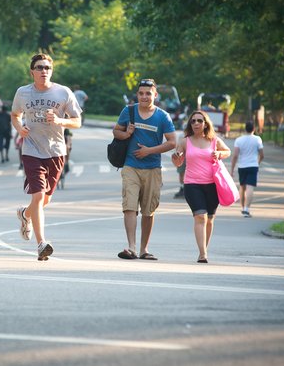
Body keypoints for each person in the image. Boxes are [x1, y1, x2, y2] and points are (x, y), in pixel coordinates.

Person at [11, 53, 82, 261]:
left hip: (56, 151)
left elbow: (77, 121)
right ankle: (41, 244)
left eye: (47, 68)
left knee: (45, 200)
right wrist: (19, 128)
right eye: (40, 68)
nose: (44, 71)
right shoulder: (23, 93)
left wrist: (61, 121)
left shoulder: (63, 92)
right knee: (39, 196)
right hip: (31, 150)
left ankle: (25, 215)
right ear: (32, 71)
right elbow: (15, 114)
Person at [112, 79, 176, 261]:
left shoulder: (163, 116)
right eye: (141, 93)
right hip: (130, 166)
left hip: (153, 168)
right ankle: (131, 247)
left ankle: (143, 249)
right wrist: (127, 134)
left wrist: (150, 151)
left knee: (148, 210)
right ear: (137, 95)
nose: (144, 97)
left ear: (155, 95)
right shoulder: (129, 111)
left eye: (148, 93)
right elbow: (116, 131)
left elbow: (172, 142)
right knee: (129, 206)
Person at [171, 110, 231, 263]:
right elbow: (178, 162)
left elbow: (227, 151)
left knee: (209, 219)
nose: (196, 123)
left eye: (199, 121)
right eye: (193, 121)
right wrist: (176, 158)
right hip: (192, 184)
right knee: (200, 216)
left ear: (205, 124)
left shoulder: (213, 140)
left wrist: (219, 154)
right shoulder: (185, 141)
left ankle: (204, 248)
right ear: (190, 124)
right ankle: (202, 254)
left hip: (212, 185)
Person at [230, 121, 264, 217]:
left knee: (242, 187)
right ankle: (246, 208)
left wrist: (232, 170)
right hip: (253, 165)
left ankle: (242, 207)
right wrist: (257, 162)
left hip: (242, 166)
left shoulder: (239, 140)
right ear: (254, 129)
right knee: (250, 187)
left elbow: (235, 155)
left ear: (245, 129)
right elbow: (262, 155)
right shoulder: (257, 139)